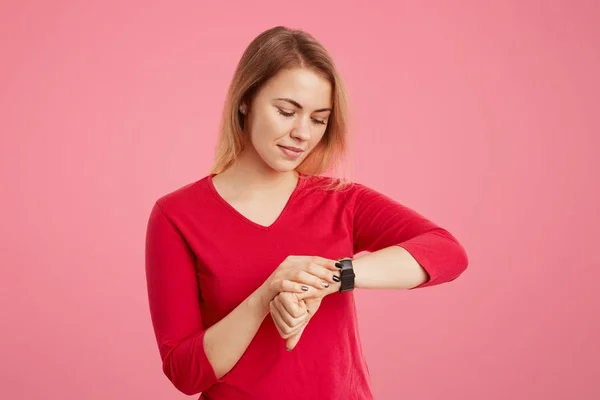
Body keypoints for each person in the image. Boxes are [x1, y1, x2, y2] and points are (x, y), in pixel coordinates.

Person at [144, 25, 469, 400]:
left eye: (318, 119)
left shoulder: (341, 201)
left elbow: (447, 253)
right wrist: (266, 295)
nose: (302, 133)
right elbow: (185, 373)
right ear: (245, 100)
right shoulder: (176, 215)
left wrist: (332, 276)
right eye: (286, 111)